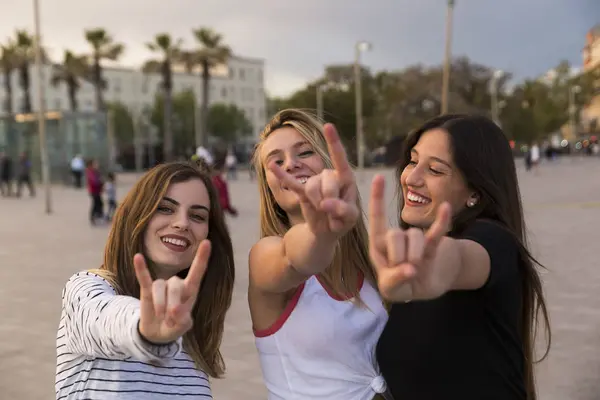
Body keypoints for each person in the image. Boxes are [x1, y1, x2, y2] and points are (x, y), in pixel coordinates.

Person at [370, 114, 551, 400]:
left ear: (475, 192)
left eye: (435, 170)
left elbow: (458, 260)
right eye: (413, 161)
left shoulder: (493, 242)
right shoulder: (410, 264)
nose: (411, 177)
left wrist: (430, 271)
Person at [55, 161, 235, 399]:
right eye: (165, 208)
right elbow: (106, 317)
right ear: (138, 215)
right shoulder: (86, 288)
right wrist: (145, 332)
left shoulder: (189, 332)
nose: (182, 223)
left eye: (197, 216)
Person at [249, 109, 389, 400]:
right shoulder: (266, 254)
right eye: (276, 161)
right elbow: (295, 258)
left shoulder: (369, 261)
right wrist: (321, 233)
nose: (292, 164)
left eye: (305, 152)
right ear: (269, 188)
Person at [85, 159, 104, 225]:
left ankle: (98, 216)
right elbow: (94, 181)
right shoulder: (90, 172)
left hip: (97, 190)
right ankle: (93, 217)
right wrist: (100, 181)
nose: (96, 165)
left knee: (100, 203)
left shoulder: (96, 171)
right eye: (94, 164)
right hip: (93, 191)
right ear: (90, 165)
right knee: (96, 204)